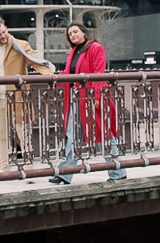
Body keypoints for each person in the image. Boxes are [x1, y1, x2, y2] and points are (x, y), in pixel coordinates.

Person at [52, 21, 124, 184]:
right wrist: (54, 79)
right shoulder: (74, 52)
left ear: (84, 32)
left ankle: (118, 172)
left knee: (104, 136)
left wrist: (97, 98)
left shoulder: (95, 48)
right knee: (72, 136)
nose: (73, 35)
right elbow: (68, 72)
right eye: (70, 34)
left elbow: (99, 73)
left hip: (91, 98)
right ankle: (65, 173)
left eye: (75, 32)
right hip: (77, 99)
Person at [0, 17, 51, 162]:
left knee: (24, 132)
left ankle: (29, 166)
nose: (3, 36)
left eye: (4, 32)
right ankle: (4, 167)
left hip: (18, 98)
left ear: (7, 28)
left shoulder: (21, 45)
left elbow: (34, 59)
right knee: (2, 135)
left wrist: (49, 74)